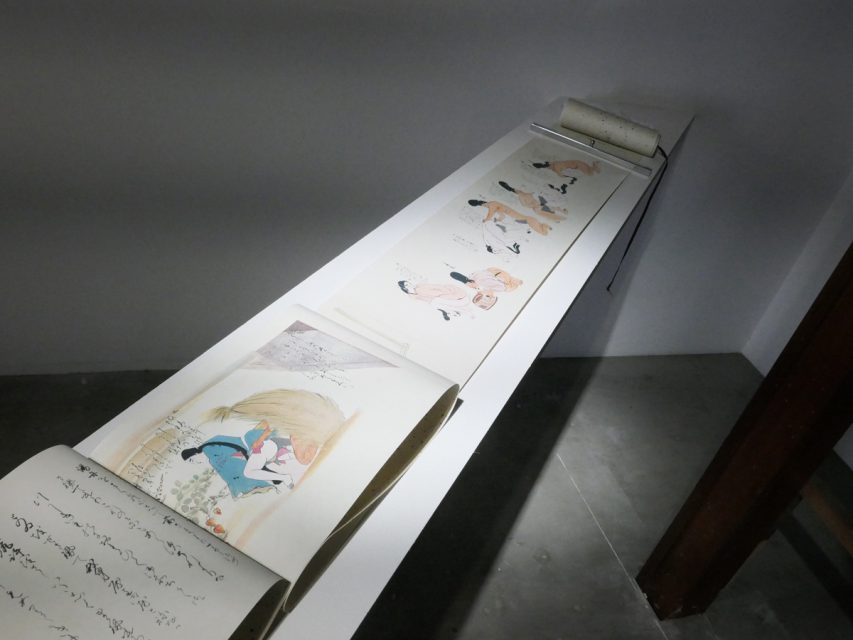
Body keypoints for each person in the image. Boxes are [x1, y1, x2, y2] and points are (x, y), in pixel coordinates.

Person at [181, 388, 346, 497]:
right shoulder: (263, 436)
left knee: (250, 471)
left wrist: (259, 442)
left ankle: (282, 477)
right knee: (250, 469)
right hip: (263, 446)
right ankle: (280, 477)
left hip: (262, 446)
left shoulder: (216, 448)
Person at [467, 199, 551, 236]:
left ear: (480, 204)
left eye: (480, 205)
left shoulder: (492, 204)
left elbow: (490, 214)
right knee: (542, 231)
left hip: (527, 219)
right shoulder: (496, 206)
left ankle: (545, 226)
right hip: (523, 220)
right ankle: (545, 226)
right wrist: (498, 220)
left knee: (543, 233)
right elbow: (502, 216)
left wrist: (486, 220)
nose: (483, 206)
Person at [498, 181, 567, 221]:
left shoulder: (529, 195)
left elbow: (537, 197)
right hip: (536, 202)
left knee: (546, 208)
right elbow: (525, 205)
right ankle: (558, 216)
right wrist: (534, 204)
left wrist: (538, 201)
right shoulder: (523, 196)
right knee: (540, 210)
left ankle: (559, 214)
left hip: (537, 201)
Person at [450, 268, 522, 293]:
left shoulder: (506, 283)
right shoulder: (505, 283)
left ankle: (470, 282)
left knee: (481, 284)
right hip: (483, 277)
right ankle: (470, 282)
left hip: (482, 275)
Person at [531, 159, 600, 177]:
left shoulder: (554, 166)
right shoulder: (554, 166)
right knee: (589, 172)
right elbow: (561, 174)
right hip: (575, 166)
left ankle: (594, 165)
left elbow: (561, 175)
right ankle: (594, 165)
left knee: (590, 173)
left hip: (576, 165)